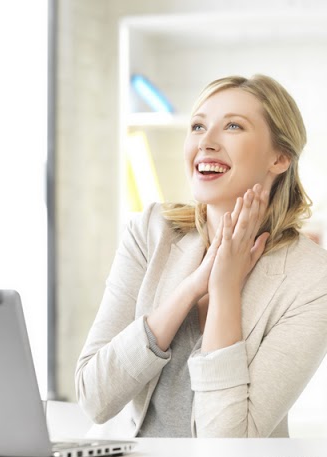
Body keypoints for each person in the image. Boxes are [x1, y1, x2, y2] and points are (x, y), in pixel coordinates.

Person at [75, 74, 327, 438]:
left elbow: (227, 445)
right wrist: (191, 287)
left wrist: (224, 288)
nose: (206, 142)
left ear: (280, 157)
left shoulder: (312, 278)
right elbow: (94, 399)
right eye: (197, 126)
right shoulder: (151, 231)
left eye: (233, 127)